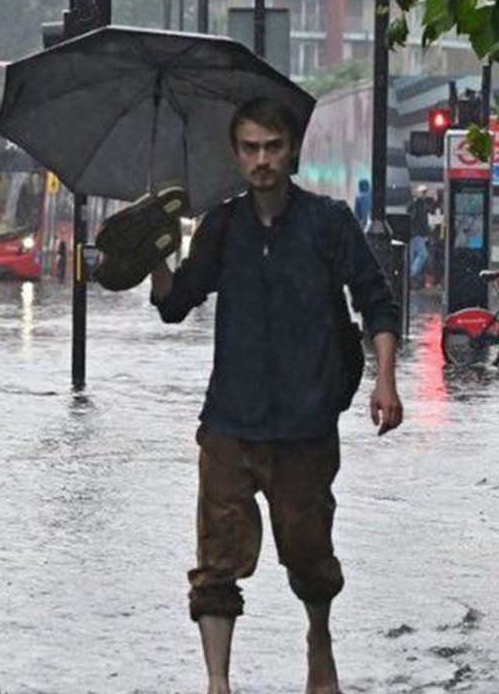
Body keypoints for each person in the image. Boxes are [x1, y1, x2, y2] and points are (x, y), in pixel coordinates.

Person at [148, 98, 403, 694]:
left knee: (309, 555)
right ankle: (218, 682)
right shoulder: (223, 225)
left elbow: (377, 301)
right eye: (249, 148)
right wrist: (152, 254)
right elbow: (176, 303)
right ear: (236, 155)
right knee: (216, 561)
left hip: (305, 425)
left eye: (272, 147)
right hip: (229, 423)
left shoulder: (328, 222)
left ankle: (319, 638)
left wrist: (385, 382)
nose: (261, 160)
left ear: (291, 152)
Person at [407, 184, 436, 288]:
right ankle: (410, 274)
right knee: (422, 254)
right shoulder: (418, 204)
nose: (424, 194)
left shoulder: (420, 204)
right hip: (417, 233)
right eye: (423, 192)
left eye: (425, 192)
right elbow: (420, 220)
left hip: (415, 233)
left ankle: (409, 275)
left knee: (414, 255)